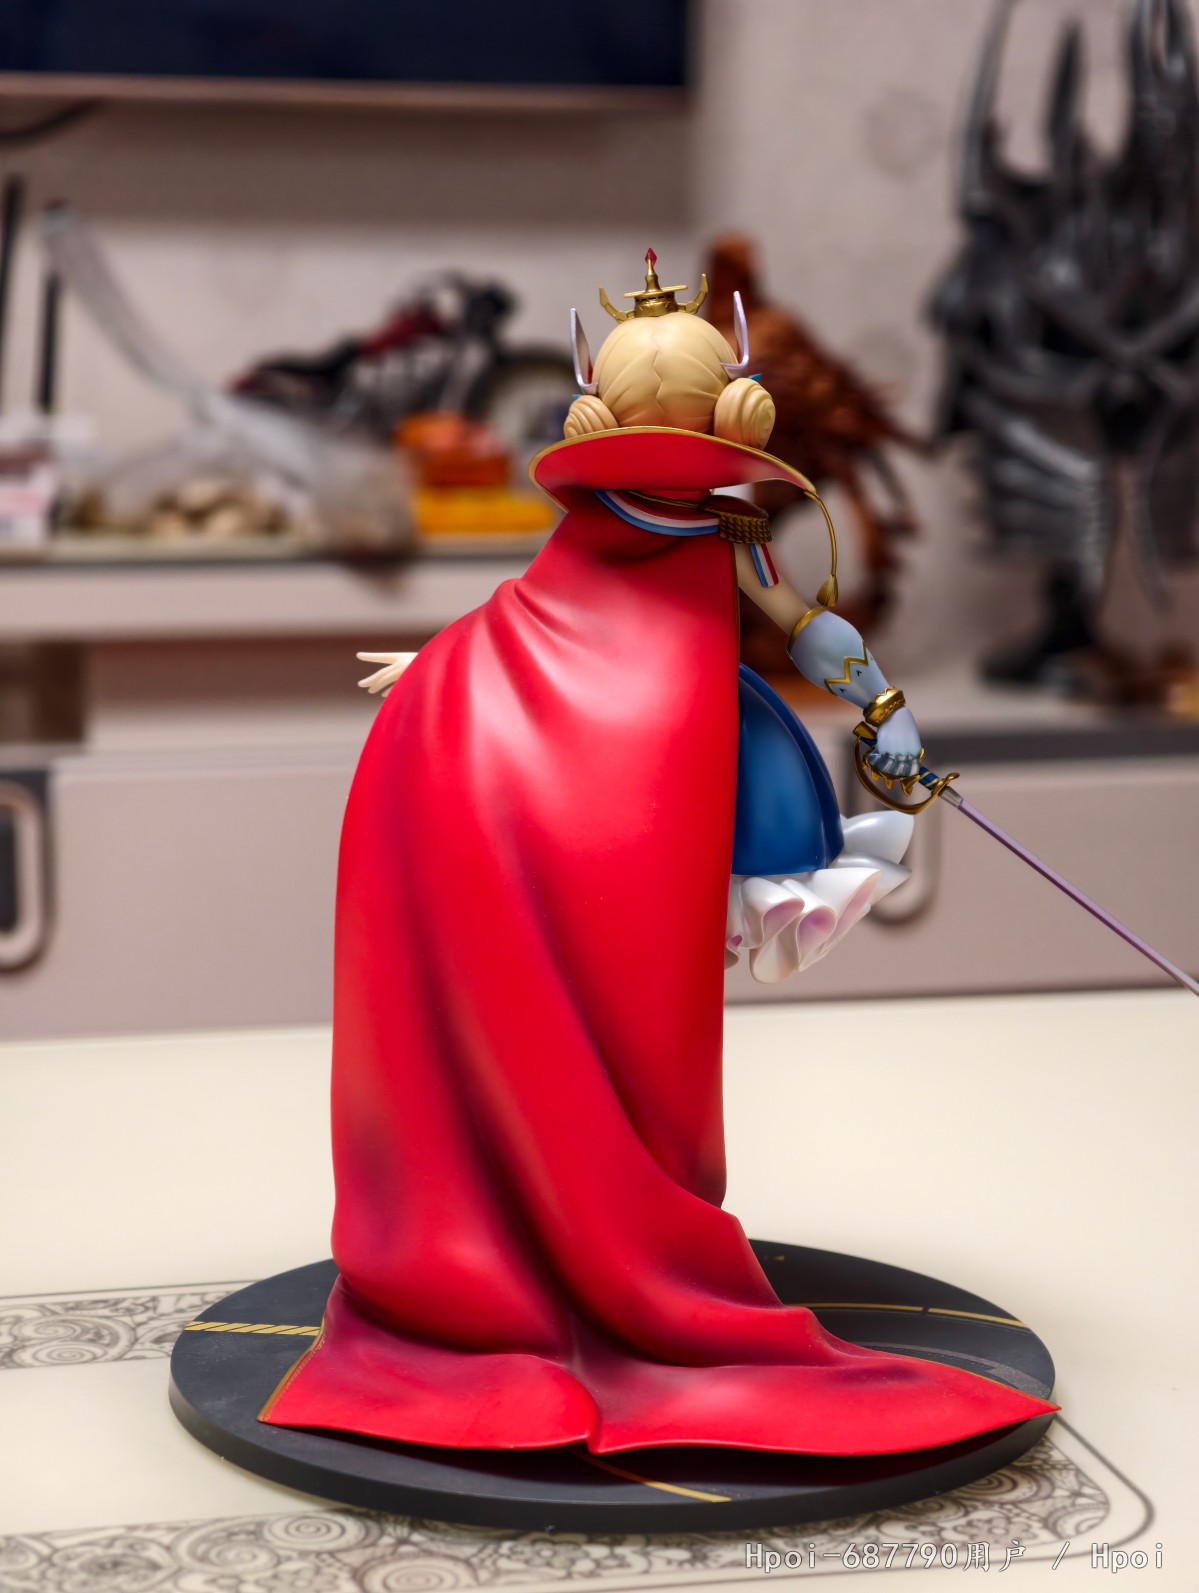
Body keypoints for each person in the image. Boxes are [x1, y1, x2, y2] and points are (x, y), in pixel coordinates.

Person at [261, 255, 1055, 1454]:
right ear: (735, 407)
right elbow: (541, 616)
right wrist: (444, 667)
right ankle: (560, 1225)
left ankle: (601, 1217)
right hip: (598, 765)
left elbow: (767, 624)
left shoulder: (719, 527)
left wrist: (881, 710)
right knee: (586, 992)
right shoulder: (657, 527)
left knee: (642, 1015)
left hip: (664, 766)